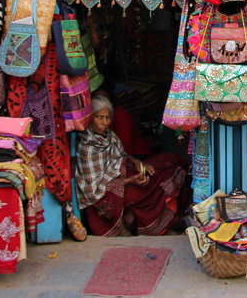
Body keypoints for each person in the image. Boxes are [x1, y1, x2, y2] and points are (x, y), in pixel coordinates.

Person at [75, 94, 185, 236]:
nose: (105, 122)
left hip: (125, 175)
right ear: (90, 118)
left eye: (108, 117)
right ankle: (158, 226)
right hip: (109, 194)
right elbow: (93, 191)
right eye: (99, 117)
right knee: (151, 186)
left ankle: (167, 222)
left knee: (170, 161)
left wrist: (136, 162)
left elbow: (122, 156)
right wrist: (129, 181)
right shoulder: (86, 147)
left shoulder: (109, 135)